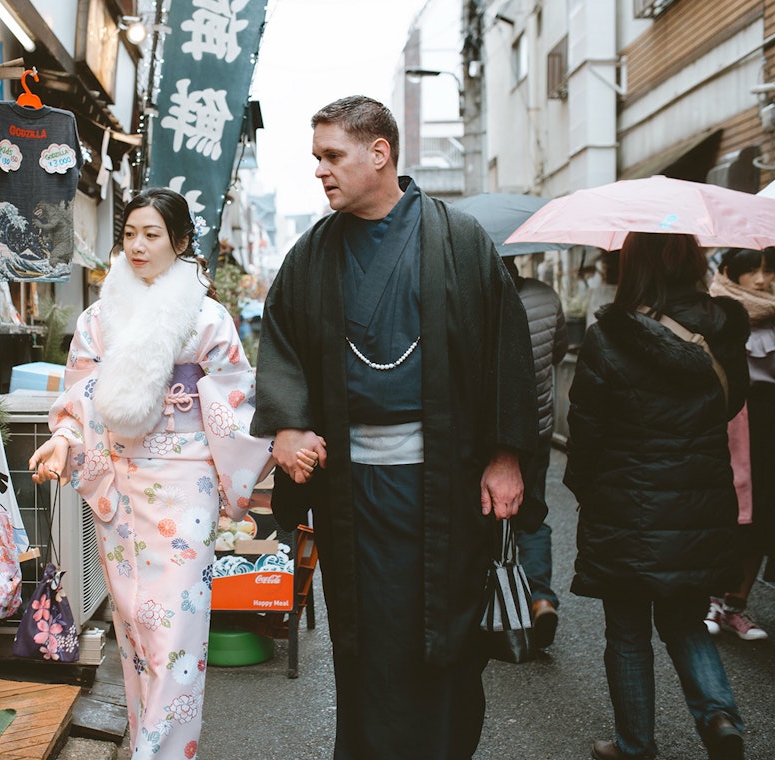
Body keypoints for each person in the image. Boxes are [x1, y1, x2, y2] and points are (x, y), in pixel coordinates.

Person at [251, 95, 538, 759]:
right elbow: (284, 347)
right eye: (316, 158)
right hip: (354, 492)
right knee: (366, 641)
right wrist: (288, 427)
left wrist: (506, 457)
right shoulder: (311, 255)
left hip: (447, 486)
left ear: (380, 153)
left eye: (332, 156)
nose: (320, 171)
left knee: (446, 636)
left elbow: (507, 356)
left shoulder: (461, 242)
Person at [27, 188, 271, 758]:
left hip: (186, 484)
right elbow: (81, 394)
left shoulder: (207, 318)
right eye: (130, 233)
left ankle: (159, 753)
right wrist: (65, 440)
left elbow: (235, 396)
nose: (137, 245)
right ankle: (144, 741)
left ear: (181, 241)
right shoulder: (98, 319)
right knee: (136, 627)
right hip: (120, 482)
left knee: (176, 634)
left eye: (152, 234)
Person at [564, 231, 748, 760]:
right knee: (686, 620)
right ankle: (720, 719)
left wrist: (585, 487)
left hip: (624, 502)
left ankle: (634, 744)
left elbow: (587, 427)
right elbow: (729, 404)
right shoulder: (721, 328)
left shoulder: (611, 336)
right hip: (698, 501)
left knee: (626, 632)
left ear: (634, 264)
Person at [705, 246, 775, 641]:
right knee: (725, 510)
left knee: (762, 516)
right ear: (731, 271)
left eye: (768, 269)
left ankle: (737, 604)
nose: (763, 279)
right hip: (728, 425)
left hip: (768, 430)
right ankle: (712, 598)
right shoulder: (716, 313)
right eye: (754, 270)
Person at [503, 256, 569, 650]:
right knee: (532, 514)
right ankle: (540, 597)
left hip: (487, 435)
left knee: (484, 517)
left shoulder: (475, 295)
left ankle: (492, 608)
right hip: (538, 430)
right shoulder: (546, 295)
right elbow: (558, 350)